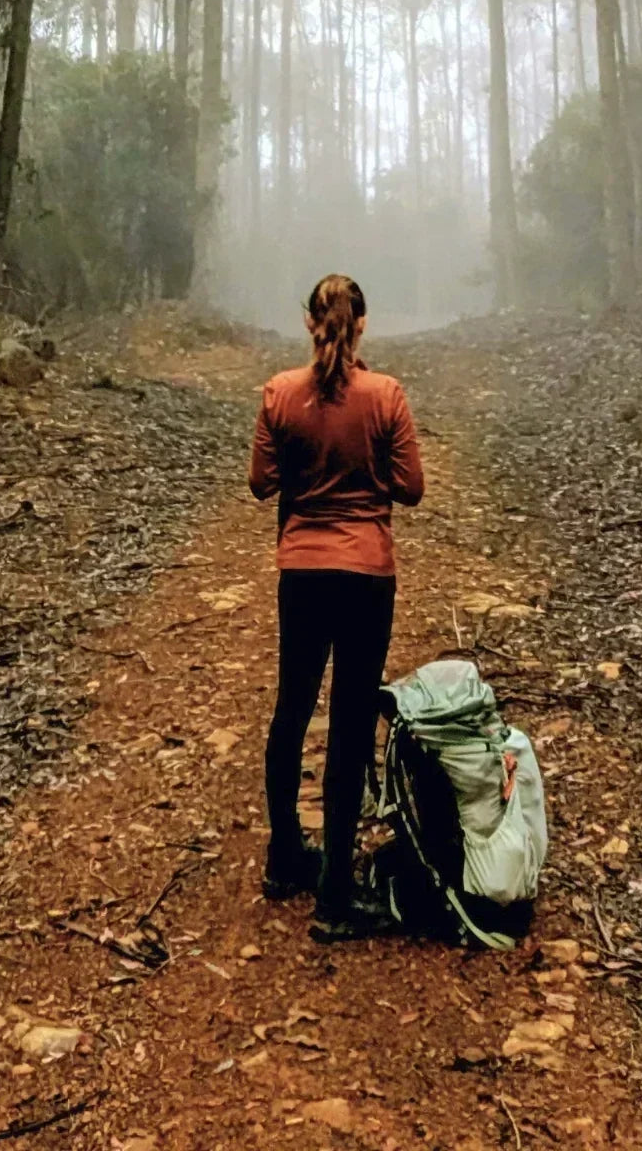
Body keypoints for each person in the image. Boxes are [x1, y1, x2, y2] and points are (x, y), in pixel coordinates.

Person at [248, 274, 425, 943]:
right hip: (366, 573)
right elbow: (410, 488)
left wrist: (305, 466)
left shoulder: (278, 395)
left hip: (301, 569)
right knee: (350, 721)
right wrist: (366, 469)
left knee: (292, 707)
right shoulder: (385, 396)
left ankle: (284, 856)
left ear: (308, 323)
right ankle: (334, 896)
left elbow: (261, 484)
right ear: (364, 327)